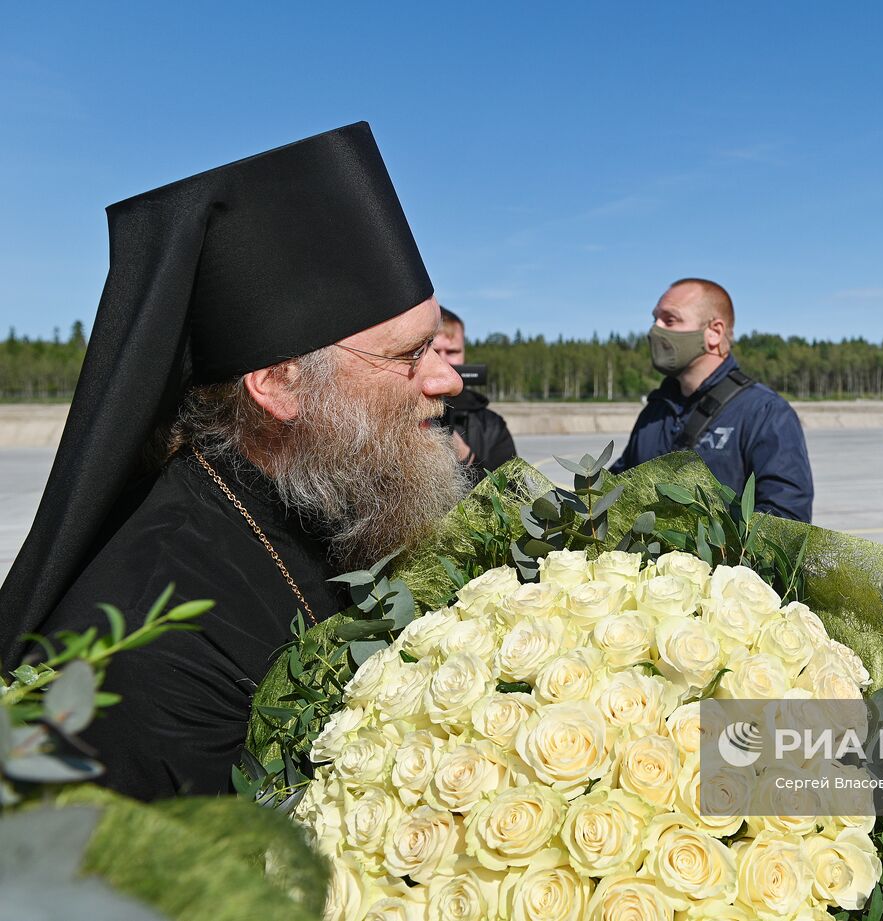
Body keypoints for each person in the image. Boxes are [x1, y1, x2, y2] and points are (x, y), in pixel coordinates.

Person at [0, 123, 469, 800]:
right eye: (407, 355)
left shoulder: (339, 497)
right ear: (278, 384)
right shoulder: (145, 652)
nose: (448, 381)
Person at [611, 278, 814, 521]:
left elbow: (786, 518)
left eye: (670, 319)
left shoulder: (764, 413)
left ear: (714, 333)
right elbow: (617, 492)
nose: (655, 329)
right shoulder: (655, 412)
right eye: (654, 319)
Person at [432, 305, 517, 480]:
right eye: (433, 351)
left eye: (452, 352)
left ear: (464, 354)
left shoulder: (492, 427)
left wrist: (466, 457)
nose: (443, 361)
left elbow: (511, 500)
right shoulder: (397, 418)